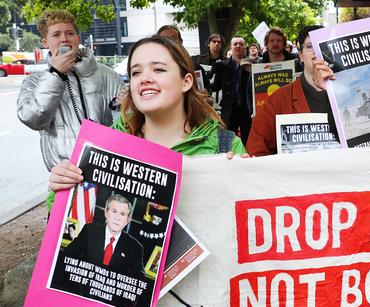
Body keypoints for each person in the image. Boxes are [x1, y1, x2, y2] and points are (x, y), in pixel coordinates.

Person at [48, 35, 247, 193]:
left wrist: (248, 183)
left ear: (186, 81)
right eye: (136, 73)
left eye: (158, 69)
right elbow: (68, 223)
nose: (144, 79)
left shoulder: (225, 145)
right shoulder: (102, 149)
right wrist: (62, 185)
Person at [17, 9, 123, 171]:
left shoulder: (107, 75)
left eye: (69, 33)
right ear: (45, 42)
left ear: (78, 38)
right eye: (56, 35)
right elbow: (33, 119)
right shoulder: (34, 81)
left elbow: (130, 118)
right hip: (66, 173)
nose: (64, 39)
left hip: (108, 167)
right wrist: (56, 75)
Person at [246, 25, 336, 156]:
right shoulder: (277, 100)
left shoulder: (348, 92)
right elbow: (256, 150)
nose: (318, 50)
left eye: (324, 45)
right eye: (310, 46)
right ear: (301, 55)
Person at [65, 194, 144, 279]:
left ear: (127, 220)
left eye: (122, 214)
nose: (117, 218)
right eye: (114, 211)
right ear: (106, 212)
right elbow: (68, 256)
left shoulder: (136, 247)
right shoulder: (89, 230)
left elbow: (139, 280)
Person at [210, 36, 254, 144]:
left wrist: (253, 71)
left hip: (247, 110)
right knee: (226, 143)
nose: (238, 46)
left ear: (245, 47)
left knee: (248, 142)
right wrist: (210, 73)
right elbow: (215, 86)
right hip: (228, 110)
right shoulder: (223, 65)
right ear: (231, 47)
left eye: (241, 44)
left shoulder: (254, 64)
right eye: (235, 44)